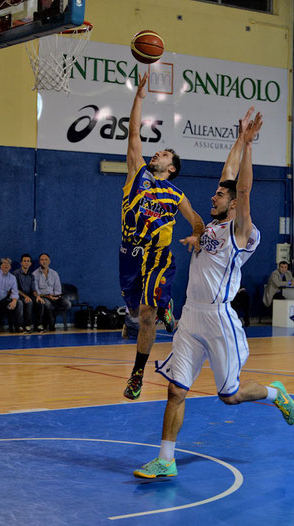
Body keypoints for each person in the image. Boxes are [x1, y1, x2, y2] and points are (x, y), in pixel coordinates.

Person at [133, 108, 294, 479]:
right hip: (191, 316)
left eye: (220, 196)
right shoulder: (212, 225)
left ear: (234, 205)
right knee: (176, 390)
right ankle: (166, 459)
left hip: (219, 318)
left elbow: (240, 186)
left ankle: (275, 394)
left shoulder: (242, 231)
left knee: (230, 395)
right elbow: (228, 174)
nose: (214, 195)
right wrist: (239, 139)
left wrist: (250, 146)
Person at [121, 72, 205, 400]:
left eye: (164, 155)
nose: (157, 154)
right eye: (157, 152)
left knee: (145, 315)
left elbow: (197, 221)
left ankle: (137, 374)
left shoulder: (176, 194)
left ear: (171, 169)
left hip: (158, 256)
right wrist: (139, 99)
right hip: (129, 254)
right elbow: (133, 136)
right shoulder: (136, 172)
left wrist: (196, 236)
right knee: (135, 313)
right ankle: (167, 307)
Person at [32, 253, 71, 330]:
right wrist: (47, 296)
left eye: (46, 259)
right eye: (42, 260)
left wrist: (56, 296)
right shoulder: (34, 274)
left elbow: (58, 289)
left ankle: (50, 318)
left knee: (67, 304)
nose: (44, 262)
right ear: (39, 262)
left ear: (49, 261)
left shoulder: (54, 273)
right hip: (43, 297)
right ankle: (51, 324)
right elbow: (36, 290)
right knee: (48, 305)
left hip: (54, 296)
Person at [13, 254, 45, 333]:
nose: (26, 263)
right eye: (24, 261)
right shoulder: (16, 273)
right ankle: (27, 325)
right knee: (29, 302)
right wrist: (25, 296)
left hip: (29, 295)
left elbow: (34, 289)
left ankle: (38, 325)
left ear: (30, 263)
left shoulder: (31, 275)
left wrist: (38, 296)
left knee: (40, 302)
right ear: (21, 263)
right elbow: (15, 289)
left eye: (28, 261)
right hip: (19, 295)